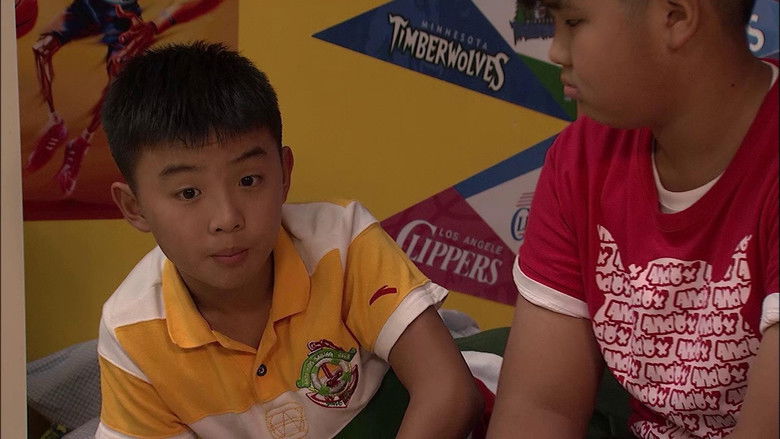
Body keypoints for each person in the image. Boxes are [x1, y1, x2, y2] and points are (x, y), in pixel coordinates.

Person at [97, 42, 485, 438]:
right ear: (134, 207)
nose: (227, 219)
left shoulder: (343, 242)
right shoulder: (129, 329)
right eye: (188, 193)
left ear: (284, 173)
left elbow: (449, 391)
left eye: (249, 180)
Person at [487, 0, 778, 438]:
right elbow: (539, 411)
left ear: (676, 17)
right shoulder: (581, 157)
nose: (555, 51)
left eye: (573, 22)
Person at [25, 0, 224, 196]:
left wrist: (155, 25)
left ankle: (82, 141)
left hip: (120, 14)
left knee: (119, 77)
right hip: (89, 5)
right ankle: (55, 123)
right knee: (41, 48)